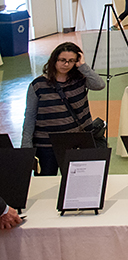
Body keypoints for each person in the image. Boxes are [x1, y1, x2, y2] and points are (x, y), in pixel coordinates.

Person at [21, 42, 105, 176]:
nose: (66, 64)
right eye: (62, 60)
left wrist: (83, 66)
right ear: (54, 59)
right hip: (46, 144)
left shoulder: (80, 79)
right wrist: (26, 146)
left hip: (75, 141)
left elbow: (99, 84)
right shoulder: (38, 85)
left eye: (71, 61)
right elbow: (30, 116)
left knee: (79, 181)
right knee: (46, 181)